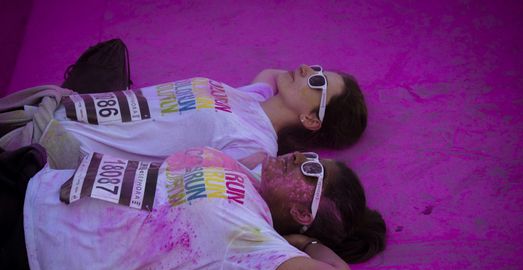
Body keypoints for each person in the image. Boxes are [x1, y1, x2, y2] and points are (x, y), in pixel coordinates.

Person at [1, 145, 385, 270]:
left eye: (312, 172)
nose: (303, 157)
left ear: (303, 211)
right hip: (34, 182)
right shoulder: (246, 176)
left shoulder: (252, 239)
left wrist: (305, 242)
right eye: (313, 158)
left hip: (27, 243)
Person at [0, 64, 367, 168]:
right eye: (316, 67)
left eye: (317, 81)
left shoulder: (254, 145)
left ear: (311, 120)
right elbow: (270, 74)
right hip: (64, 110)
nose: (306, 68)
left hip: (49, 148)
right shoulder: (251, 96)